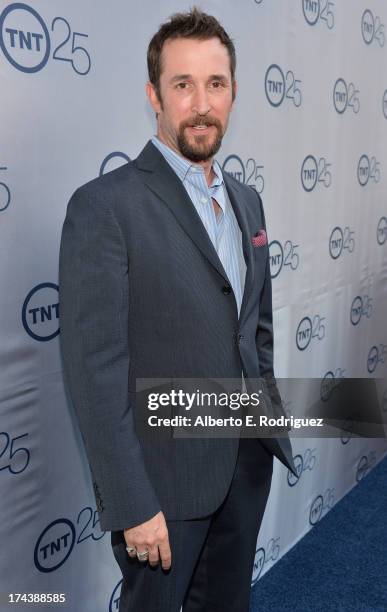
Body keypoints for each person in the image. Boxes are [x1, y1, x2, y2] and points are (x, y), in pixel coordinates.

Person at [59, 8, 295, 611]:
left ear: (234, 93)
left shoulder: (248, 202)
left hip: (244, 468)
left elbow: (255, 332)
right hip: (161, 490)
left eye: (215, 84)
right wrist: (132, 502)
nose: (201, 103)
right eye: (182, 84)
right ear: (153, 96)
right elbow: (95, 370)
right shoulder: (104, 207)